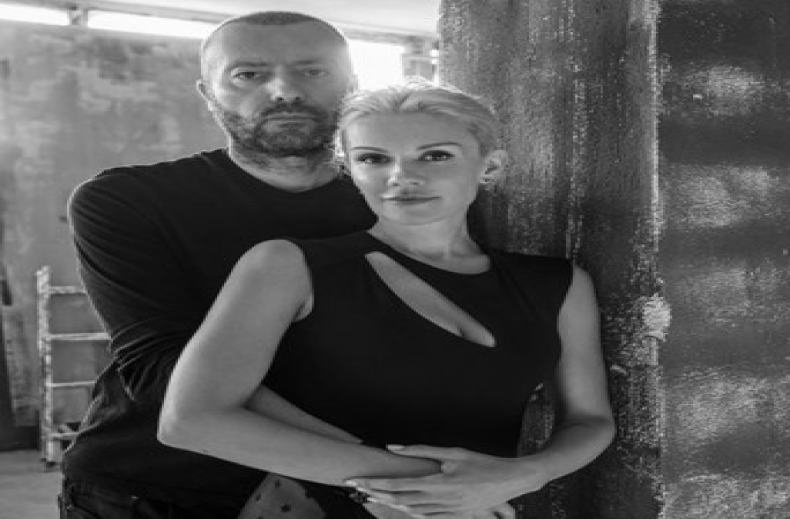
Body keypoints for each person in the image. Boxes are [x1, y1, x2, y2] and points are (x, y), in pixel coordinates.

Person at [157, 81, 616, 519]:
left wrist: (526, 474)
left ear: (489, 166)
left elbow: (589, 419)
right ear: (351, 170)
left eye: (435, 155)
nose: (401, 177)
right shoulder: (287, 265)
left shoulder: (557, 284)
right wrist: (429, 486)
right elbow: (192, 421)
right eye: (374, 158)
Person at [60, 11, 378, 519]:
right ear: (208, 94)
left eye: (312, 70)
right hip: (157, 489)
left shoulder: (401, 203)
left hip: (349, 488)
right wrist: (376, 470)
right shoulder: (128, 200)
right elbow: (161, 369)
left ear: (353, 85)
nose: (284, 91)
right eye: (248, 74)